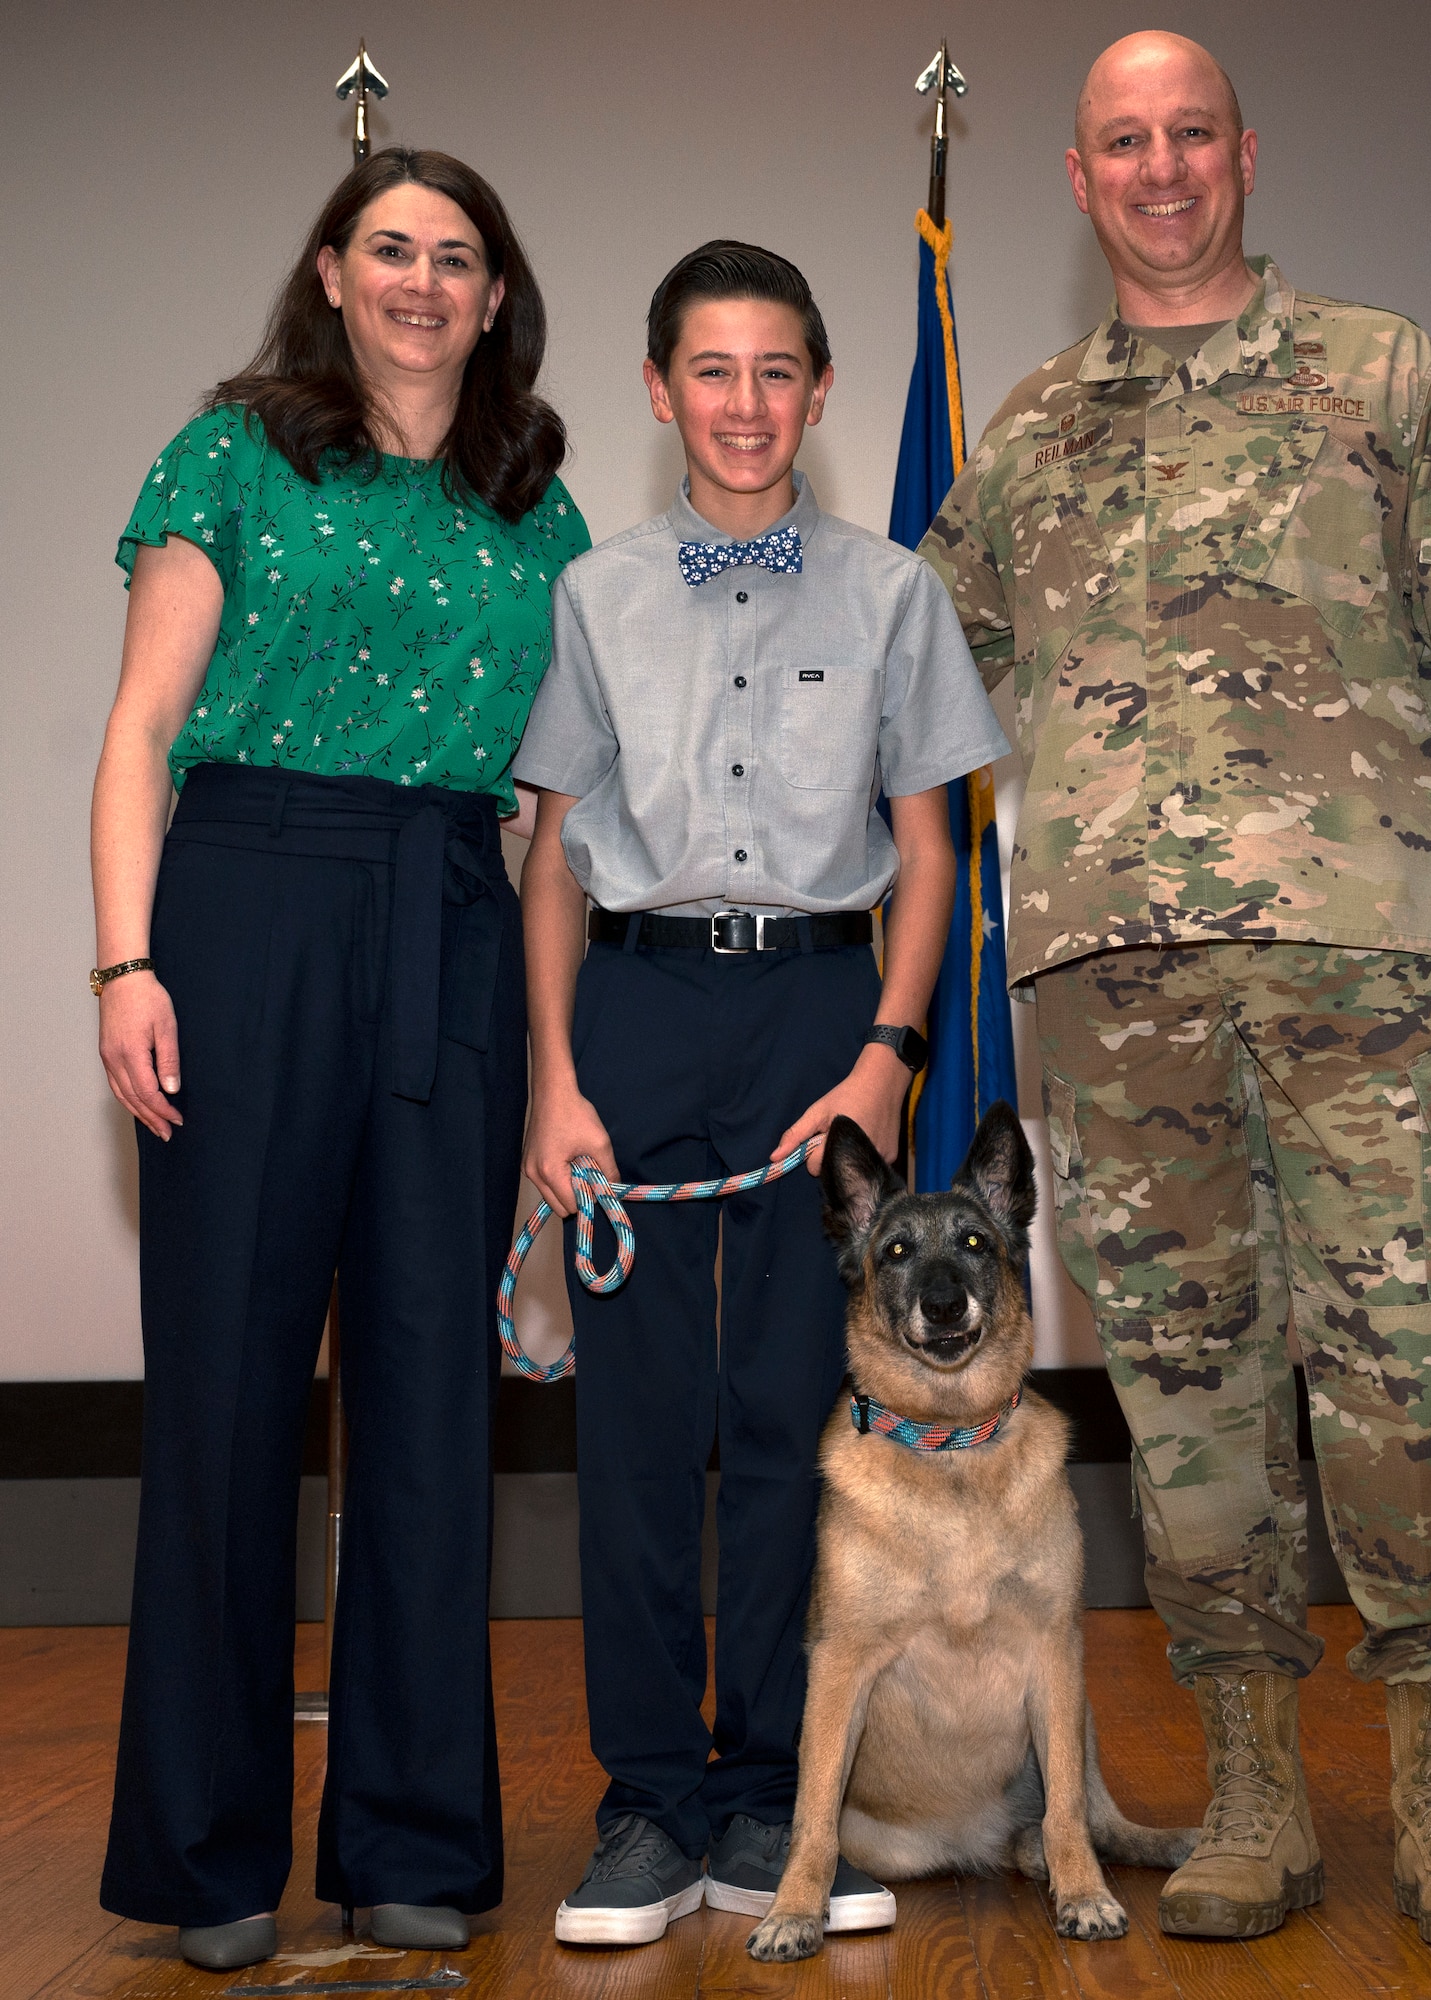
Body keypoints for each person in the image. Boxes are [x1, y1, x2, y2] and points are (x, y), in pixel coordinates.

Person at [920, 30, 1431, 1956]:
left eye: (1188, 134)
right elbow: (906, 687)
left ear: (1243, 152)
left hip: (1366, 965)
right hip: (1112, 995)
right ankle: (1252, 1791)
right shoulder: (1032, 435)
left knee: (1404, 1380)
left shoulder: (1382, 374)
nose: (1159, 169)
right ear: (1076, 177)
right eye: (1121, 141)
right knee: (1189, 1399)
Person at [91, 148, 588, 1971]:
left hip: (453, 909)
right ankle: (206, 1857)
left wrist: (556, 1069)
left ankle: (416, 1841)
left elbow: (560, 831)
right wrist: (128, 963)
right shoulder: (229, 454)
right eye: (391, 248)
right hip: (243, 903)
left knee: (431, 1405)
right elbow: (142, 731)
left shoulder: (538, 508)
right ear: (330, 267)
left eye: (458, 257)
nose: (421, 281)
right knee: (225, 1397)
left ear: (494, 293)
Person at [513, 240, 1011, 1947]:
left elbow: (933, 854)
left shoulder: (893, 594)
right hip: (641, 1006)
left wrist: (885, 1053)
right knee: (645, 1426)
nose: (744, 403)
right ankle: (648, 1801)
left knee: (802, 1416)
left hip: (819, 1005)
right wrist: (554, 1086)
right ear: (660, 392)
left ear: (817, 387)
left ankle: (768, 1800)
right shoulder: (597, 596)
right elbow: (558, 858)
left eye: (776, 370)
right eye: (709, 372)